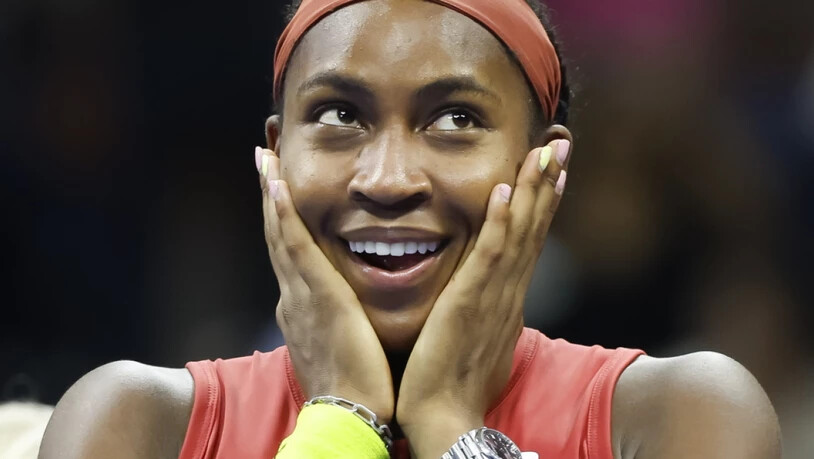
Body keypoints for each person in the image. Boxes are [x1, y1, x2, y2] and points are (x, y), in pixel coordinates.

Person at [40, 0, 781, 457]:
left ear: (544, 168)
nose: (388, 178)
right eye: (340, 115)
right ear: (275, 155)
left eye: (454, 119)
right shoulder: (135, 422)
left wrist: (451, 423)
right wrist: (343, 417)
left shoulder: (681, 413)